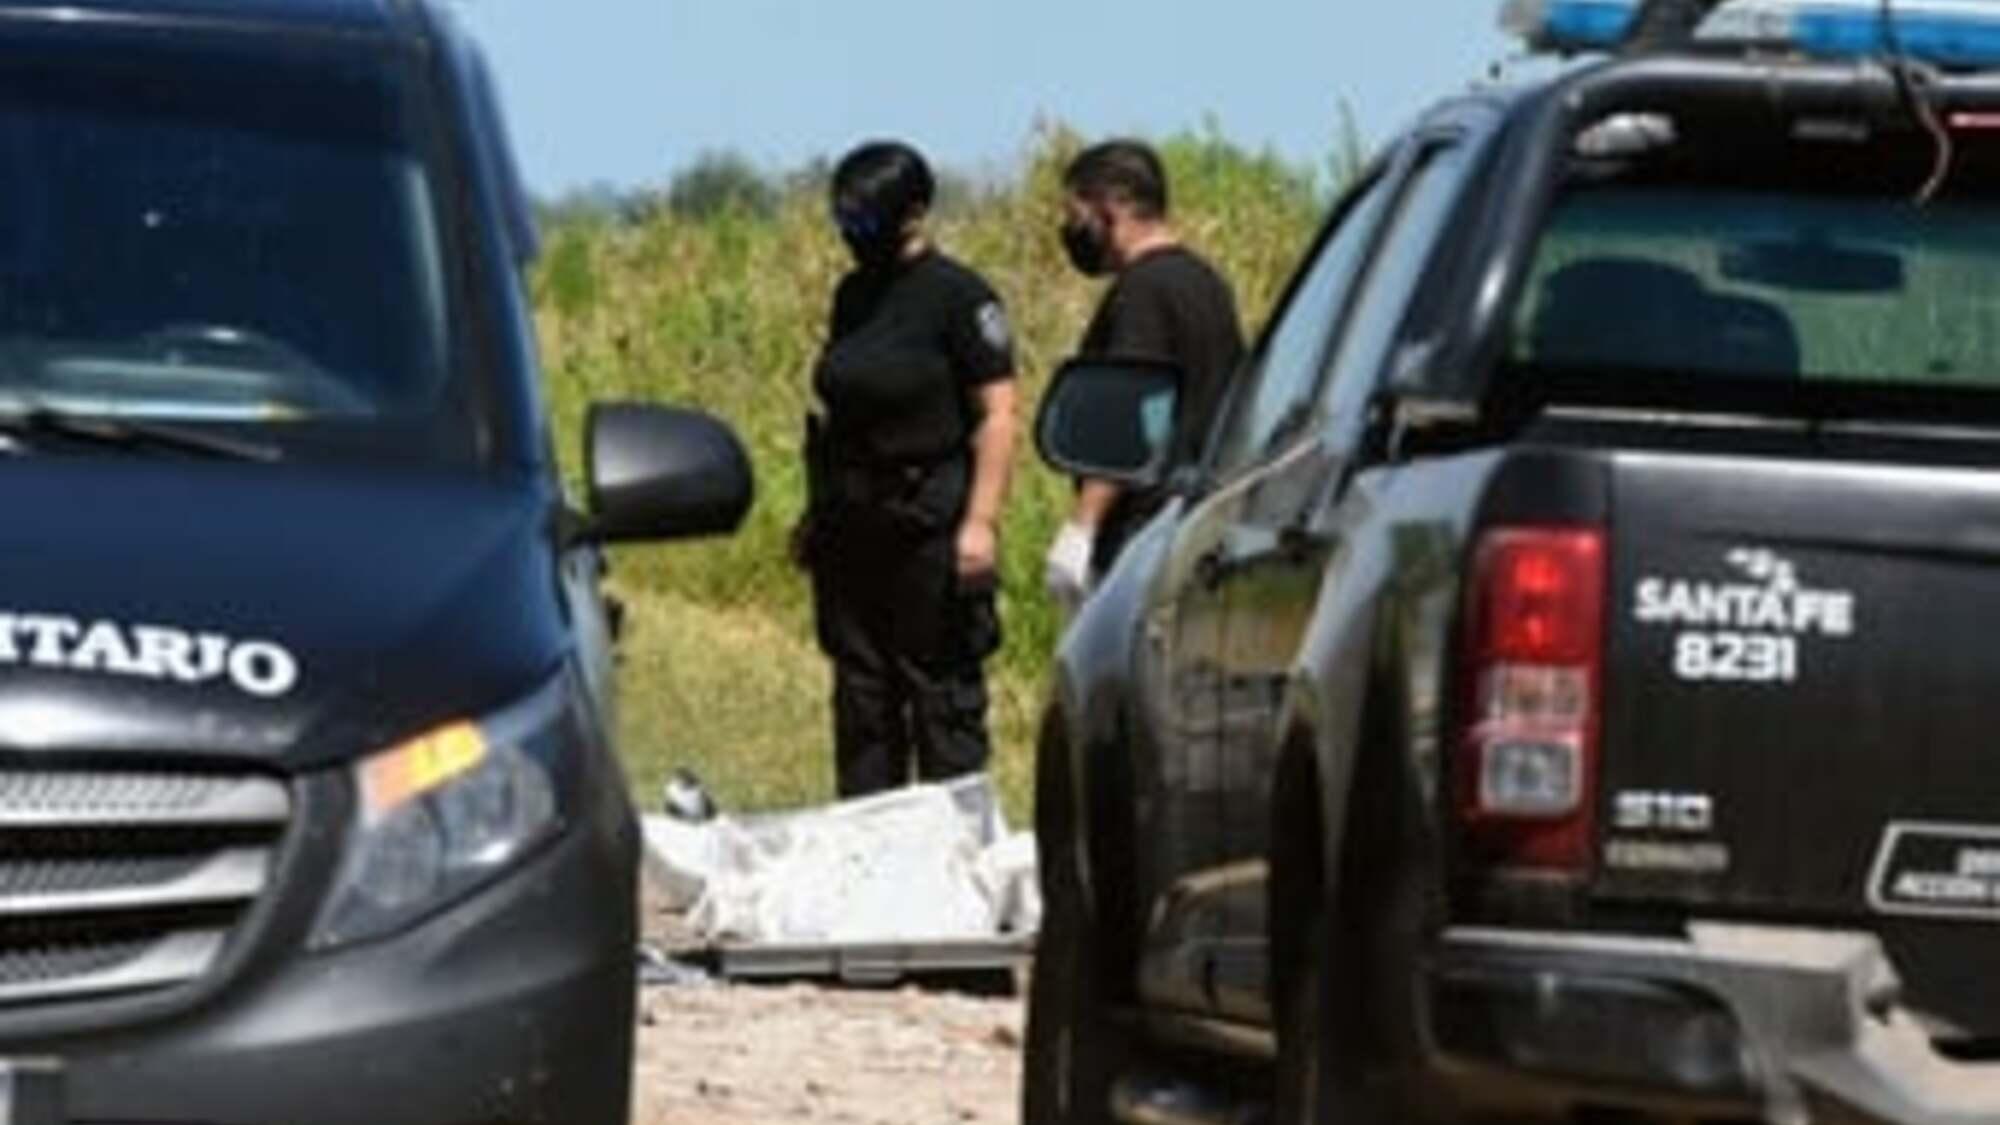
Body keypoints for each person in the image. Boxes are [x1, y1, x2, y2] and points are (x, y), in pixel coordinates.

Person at [796, 140, 1018, 799]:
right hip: (853, 521)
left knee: (939, 692)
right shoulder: (853, 295)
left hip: (930, 519)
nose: (852, 235)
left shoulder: (959, 297)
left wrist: (980, 522)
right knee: (862, 696)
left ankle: (955, 852)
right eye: (845, 221)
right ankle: (869, 848)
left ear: (914, 212)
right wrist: (816, 513)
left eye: (866, 222)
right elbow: (841, 413)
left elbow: (1000, 414)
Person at [1043, 139, 1246, 610]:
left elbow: (1124, 411)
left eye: (1077, 215)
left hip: (1147, 530)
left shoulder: (1143, 290)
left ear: (1111, 207)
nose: (1072, 230)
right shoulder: (1204, 280)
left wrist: (1083, 526)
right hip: (1200, 517)